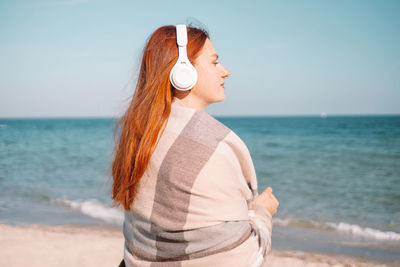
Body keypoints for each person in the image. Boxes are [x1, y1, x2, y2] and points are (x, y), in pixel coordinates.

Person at [111, 24, 279, 267]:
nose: (226, 71)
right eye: (214, 62)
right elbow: (243, 257)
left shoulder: (139, 134)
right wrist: (262, 213)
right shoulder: (213, 145)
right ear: (182, 71)